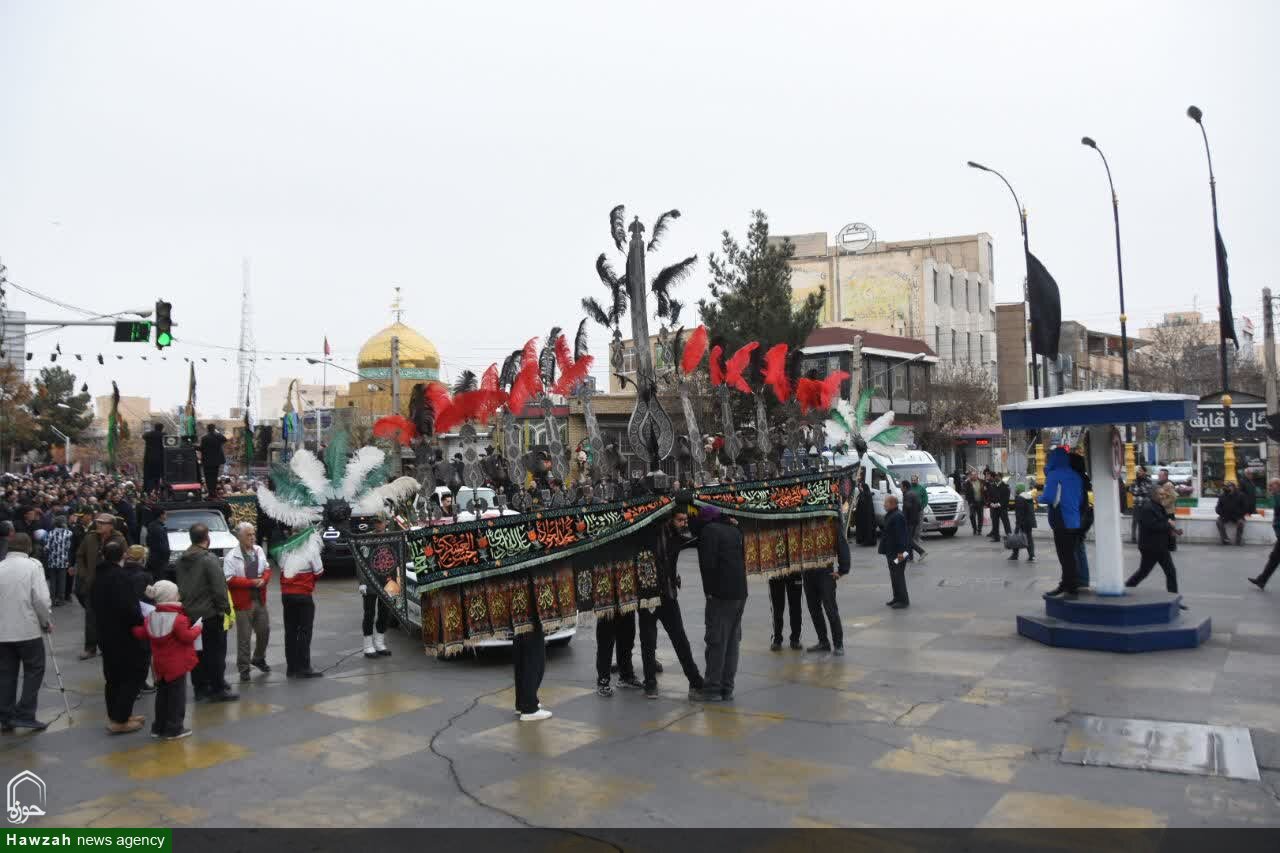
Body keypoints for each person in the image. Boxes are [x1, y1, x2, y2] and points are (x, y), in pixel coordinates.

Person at [638, 509, 705, 699]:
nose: (684, 523)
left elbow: (697, 538)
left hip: (668, 596)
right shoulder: (646, 532)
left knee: (680, 639)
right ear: (669, 519)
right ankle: (650, 682)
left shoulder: (675, 535)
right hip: (648, 596)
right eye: (680, 520)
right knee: (648, 641)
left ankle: (695, 680)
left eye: (685, 520)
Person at [176, 523, 238, 702]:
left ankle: (200, 688)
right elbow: (219, 588)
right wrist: (224, 609)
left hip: (190, 613)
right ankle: (217, 688)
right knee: (215, 653)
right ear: (207, 538)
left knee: (198, 653)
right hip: (209, 613)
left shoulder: (181, 560)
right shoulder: (209, 559)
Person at [133, 580, 201, 740]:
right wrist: (198, 628)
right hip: (177, 665)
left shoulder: (151, 617)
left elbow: (141, 633)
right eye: (176, 593)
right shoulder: (178, 619)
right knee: (177, 697)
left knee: (162, 696)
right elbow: (187, 637)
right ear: (171, 597)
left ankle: (159, 727)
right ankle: (174, 728)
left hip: (159, 665)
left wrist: (132, 628)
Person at [92, 539, 147, 734]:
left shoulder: (98, 575)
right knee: (131, 675)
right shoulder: (120, 577)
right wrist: (140, 619)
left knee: (113, 676)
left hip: (104, 632)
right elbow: (129, 608)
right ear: (123, 555)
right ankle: (120, 719)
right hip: (123, 634)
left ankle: (117, 714)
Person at [0, 534, 53, 732]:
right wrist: (46, 621)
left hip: (3, 632)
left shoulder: (0, 567)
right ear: (28, 548)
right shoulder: (33, 566)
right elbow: (40, 599)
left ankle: (6, 715)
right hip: (27, 629)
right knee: (34, 670)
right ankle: (25, 713)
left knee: (6, 674)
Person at [695, 507, 747, 702]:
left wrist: (709, 592)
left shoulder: (709, 531)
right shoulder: (734, 529)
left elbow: (707, 565)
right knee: (732, 641)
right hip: (740, 593)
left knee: (716, 640)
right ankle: (727, 688)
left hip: (721, 595)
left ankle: (712, 689)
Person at [73, 513, 127, 660]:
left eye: (103, 523)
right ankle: (90, 648)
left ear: (111, 525)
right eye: (98, 522)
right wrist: (83, 573)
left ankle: (108, 645)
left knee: (110, 617)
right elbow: (80, 555)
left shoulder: (119, 539)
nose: (99, 525)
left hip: (111, 584)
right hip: (92, 583)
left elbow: (125, 558)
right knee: (91, 617)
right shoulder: (89, 537)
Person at [223, 523, 272, 683]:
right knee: (244, 637)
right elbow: (229, 579)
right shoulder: (231, 556)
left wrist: (264, 580)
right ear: (240, 537)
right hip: (243, 602)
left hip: (259, 599)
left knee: (264, 631)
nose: (252, 537)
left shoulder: (258, 550)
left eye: (253, 534)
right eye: (248, 535)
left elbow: (267, 568)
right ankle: (244, 668)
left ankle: (258, 658)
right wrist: (251, 582)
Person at [1127, 482, 1184, 603]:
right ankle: (1126, 588)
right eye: (1160, 494)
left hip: (1159, 546)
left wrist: (1173, 529)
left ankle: (1173, 600)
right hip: (1151, 547)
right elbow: (1152, 526)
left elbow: (1161, 522)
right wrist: (1168, 524)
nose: (1163, 496)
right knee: (1145, 572)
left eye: (1163, 494)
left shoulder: (1158, 506)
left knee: (1169, 572)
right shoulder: (1147, 508)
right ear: (1153, 495)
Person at [1039, 448, 1084, 599]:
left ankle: (1070, 588)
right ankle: (1067, 584)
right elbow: (1080, 499)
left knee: (1064, 556)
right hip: (1074, 520)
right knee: (1071, 554)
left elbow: (1048, 497)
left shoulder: (1054, 475)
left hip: (1061, 520)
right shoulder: (1076, 475)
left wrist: (1038, 498)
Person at [280, 540, 324, 679]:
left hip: (287, 595)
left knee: (290, 631)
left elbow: (282, 570)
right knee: (305, 631)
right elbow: (319, 571)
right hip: (303, 594)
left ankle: (291, 668)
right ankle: (304, 666)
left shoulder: (285, 548)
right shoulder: (311, 549)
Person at [804, 521, 849, 654]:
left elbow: (842, 544)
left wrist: (842, 569)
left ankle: (838, 644)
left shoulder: (830, 520)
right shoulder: (802, 521)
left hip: (825, 571)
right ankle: (823, 641)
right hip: (807, 571)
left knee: (830, 609)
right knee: (814, 609)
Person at [512, 582, 550, 722]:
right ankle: (529, 707)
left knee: (522, 649)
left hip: (518, 592)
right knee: (533, 654)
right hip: (530, 591)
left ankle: (522, 702)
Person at [123, 545, 156, 694]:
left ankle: (132, 684)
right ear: (142, 559)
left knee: (129, 653)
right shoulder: (144, 576)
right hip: (142, 617)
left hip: (125, 618)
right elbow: (148, 598)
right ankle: (139, 683)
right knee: (143, 652)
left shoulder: (122, 573)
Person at [360, 519, 393, 660]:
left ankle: (379, 642)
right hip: (370, 581)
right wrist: (362, 582)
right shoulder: (366, 538)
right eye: (376, 522)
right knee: (369, 613)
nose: (378, 524)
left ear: (386, 523)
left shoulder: (392, 537)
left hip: (386, 581)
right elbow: (361, 561)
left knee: (385, 612)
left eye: (380, 522)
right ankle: (368, 645)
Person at [879, 495, 911, 609]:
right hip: (891, 552)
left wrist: (901, 552)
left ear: (892, 504)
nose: (884, 505)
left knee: (898, 575)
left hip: (899, 553)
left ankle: (903, 600)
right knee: (894, 575)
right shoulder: (891, 514)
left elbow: (901, 536)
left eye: (886, 503)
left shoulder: (897, 516)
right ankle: (897, 598)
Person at [1248, 478, 1280, 590]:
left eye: (1271, 485)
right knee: (1274, 558)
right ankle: (1262, 580)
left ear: (1277, 485)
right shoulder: (1276, 497)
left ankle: (1262, 580)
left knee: (1274, 558)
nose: (1269, 488)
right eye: (1269, 485)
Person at [768, 573, 803, 652]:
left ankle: (796, 639)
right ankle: (777, 639)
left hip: (794, 571)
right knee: (777, 608)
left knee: (796, 607)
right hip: (776, 572)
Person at [44, 516, 73, 607]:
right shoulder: (69, 533)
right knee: (62, 581)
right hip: (64, 561)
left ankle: (52, 600)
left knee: (53, 581)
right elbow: (69, 547)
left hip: (52, 560)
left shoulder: (51, 533)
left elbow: (47, 547)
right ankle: (61, 600)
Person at [1009, 481, 1037, 562]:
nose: (1015, 490)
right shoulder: (1028, 497)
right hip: (1029, 521)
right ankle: (1032, 555)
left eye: (1016, 489)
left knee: (1016, 537)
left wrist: (1017, 525)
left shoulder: (1019, 498)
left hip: (1023, 522)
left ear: (1018, 490)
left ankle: (1015, 555)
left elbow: (1019, 513)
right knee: (1029, 538)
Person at [902, 475, 927, 563]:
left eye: (901, 487)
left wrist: (903, 520)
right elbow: (919, 507)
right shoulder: (914, 493)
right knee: (909, 539)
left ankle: (921, 552)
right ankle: (910, 557)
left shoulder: (907, 495)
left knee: (908, 540)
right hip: (915, 520)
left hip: (909, 521)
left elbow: (906, 509)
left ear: (905, 487)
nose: (900, 488)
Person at [1215, 480, 1247, 546]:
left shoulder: (1240, 495)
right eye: (1227, 486)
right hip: (1225, 515)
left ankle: (1238, 540)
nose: (1228, 488)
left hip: (1237, 516)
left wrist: (1239, 514)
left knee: (1241, 523)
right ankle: (1225, 539)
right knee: (1218, 522)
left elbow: (1245, 507)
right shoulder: (1222, 496)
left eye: (1230, 486)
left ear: (1234, 487)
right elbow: (1218, 507)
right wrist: (1222, 513)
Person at [199, 424, 227, 498]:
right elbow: (225, 439)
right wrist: (217, 432)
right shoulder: (218, 436)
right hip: (216, 462)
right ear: (214, 429)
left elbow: (202, 448)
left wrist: (194, 447)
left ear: (207, 429)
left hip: (207, 462)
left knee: (208, 478)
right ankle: (214, 493)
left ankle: (211, 494)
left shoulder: (204, 438)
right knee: (214, 477)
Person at [144, 508, 171, 582]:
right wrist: (167, 556)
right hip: (160, 559)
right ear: (161, 515)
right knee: (160, 578)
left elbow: (148, 541)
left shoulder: (151, 525)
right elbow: (163, 546)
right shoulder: (159, 529)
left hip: (153, 556)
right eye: (165, 514)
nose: (166, 515)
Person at [1128, 466, 1152, 544]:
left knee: (1144, 521)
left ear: (1144, 472)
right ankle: (1133, 538)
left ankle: (1143, 537)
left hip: (1145, 504)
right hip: (1137, 504)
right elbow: (1131, 490)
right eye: (1138, 471)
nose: (1139, 472)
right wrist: (1140, 491)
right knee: (1135, 521)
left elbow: (1147, 491)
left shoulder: (1148, 480)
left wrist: (1138, 490)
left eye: (1140, 470)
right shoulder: (1135, 480)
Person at [853, 473, 877, 546]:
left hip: (866, 516)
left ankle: (867, 541)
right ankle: (863, 541)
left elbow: (863, 504)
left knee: (867, 528)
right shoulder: (864, 494)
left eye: (861, 487)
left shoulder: (866, 495)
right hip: (864, 516)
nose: (860, 488)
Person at [986, 472, 1011, 542]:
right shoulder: (992, 486)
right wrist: (991, 503)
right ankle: (996, 537)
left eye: (998, 476)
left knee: (1006, 522)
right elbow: (989, 496)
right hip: (994, 507)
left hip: (1002, 508)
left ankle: (1009, 536)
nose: (996, 478)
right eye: (995, 476)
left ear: (1001, 477)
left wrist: (999, 504)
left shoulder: (1005, 486)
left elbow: (1006, 498)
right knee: (995, 523)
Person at [143, 423, 166, 494]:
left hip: (149, 459)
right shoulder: (163, 435)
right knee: (161, 474)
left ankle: (149, 490)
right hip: (160, 459)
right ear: (161, 428)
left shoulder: (148, 435)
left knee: (149, 475)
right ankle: (160, 489)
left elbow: (143, 436)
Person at [963, 471, 984, 536]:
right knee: (972, 516)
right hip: (972, 502)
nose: (974, 476)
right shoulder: (968, 483)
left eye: (975, 475)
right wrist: (969, 501)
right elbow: (966, 492)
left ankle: (979, 530)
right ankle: (974, 528)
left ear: (977, 475)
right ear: (971, 476)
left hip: (980, 502)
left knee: (980, 516)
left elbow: (985, 490)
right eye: (973, 475)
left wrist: (985, 500)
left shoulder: (981, 481)